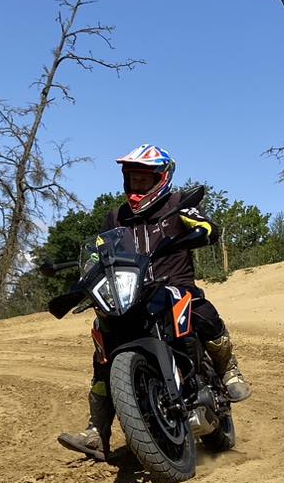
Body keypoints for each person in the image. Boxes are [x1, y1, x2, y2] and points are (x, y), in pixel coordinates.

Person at [58, 144, 251, 460]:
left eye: (145, 181)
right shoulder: (115, 218)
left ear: (161, 179)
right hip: (128, 294)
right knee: (101, 350)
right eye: (134, 180)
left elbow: (205, 225)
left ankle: (228, 370)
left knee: (202, 312)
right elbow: (98, 253)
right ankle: (97, 431)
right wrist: (86, 276)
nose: (138, 186)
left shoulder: (178, 206)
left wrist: (203, 229)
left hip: (174, 287)